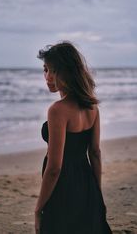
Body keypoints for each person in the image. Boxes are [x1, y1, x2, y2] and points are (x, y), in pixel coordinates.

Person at [35, 41, 112, 234]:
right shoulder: (92, 107)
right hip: (87, 184)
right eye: (45, 70)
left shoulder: (57, 111)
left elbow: (54, 168)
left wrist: (38, 209)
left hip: (63, 189)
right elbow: (95, 153)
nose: (48, 77)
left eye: (53, 71)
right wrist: (96, 194)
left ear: (68, 72)